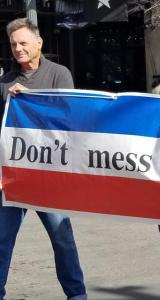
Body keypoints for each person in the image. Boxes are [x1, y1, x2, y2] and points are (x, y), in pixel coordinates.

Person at [0, 18, 87, 300]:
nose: (18, 48)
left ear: (39, 43)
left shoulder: (59, 74)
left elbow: (67, 117)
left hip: (50, 176)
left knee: (62, 239)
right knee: (2, 241)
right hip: (13, 177)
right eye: (13, 44)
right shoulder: (4, 82)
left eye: (23, 42)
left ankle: (76, 294)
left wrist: (32, 99)